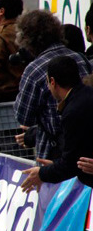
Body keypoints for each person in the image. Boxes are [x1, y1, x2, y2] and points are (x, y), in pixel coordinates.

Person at [14, 10, 92, 160]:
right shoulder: (80, 58)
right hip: (86, 145)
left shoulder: (34, 70)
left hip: (53, 150)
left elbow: (24, 116)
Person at [20, 56, 93, 192]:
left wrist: (42, 173)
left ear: (52, 82)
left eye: (48, 82)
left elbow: (71, 163)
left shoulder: (73, 111)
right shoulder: (86, 95)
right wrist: (56, 165)